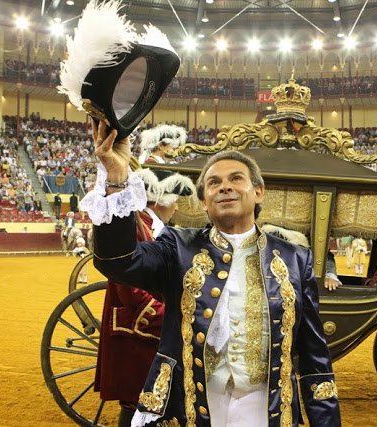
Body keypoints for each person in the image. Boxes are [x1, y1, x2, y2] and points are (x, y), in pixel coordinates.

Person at [84, 121, 341, 427]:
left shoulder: (295, 259)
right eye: (214, 182)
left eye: (236, 179)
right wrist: (116, 177)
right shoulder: (176, 247)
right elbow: (118, 261)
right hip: (191, 409)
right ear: (204, 202)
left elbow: (314, 357)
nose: (225, 187)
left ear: (258, 192)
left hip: (266, 412)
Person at [95, 165, 197, 427]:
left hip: (151, 324)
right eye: (175, 201)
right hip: (139, 328)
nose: (177, 207)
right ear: (163, 201)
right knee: (138, 398)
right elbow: (131, 287)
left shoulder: (151, 226)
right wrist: (173, 317)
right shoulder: (136, 227)